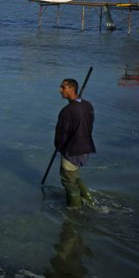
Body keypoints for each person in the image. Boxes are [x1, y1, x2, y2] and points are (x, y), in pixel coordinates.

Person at [55, 78, 96, 207]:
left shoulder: (66, 111)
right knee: (75, 176)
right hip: (86, 148)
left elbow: (61, 135)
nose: (59, 90)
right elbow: (89, 125)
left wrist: (60, 148)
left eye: (63, 87)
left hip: (72, 150)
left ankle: (75, 212)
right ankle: (90, 201)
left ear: (71, 89)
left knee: (69, 182)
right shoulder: (88, 105)